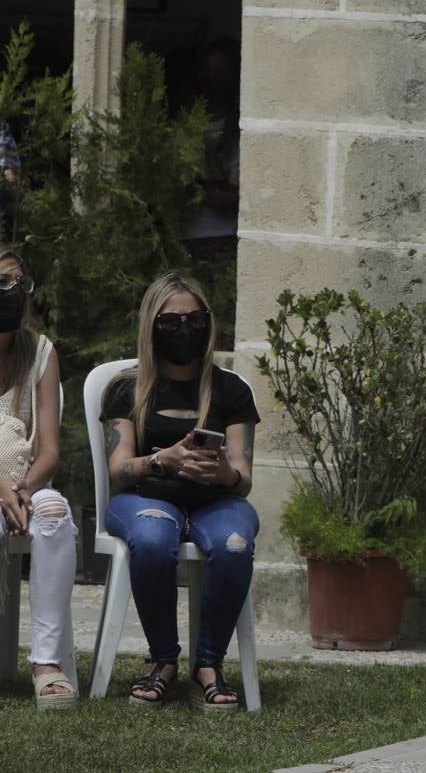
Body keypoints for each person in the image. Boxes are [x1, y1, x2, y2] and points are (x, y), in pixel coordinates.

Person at [100, 272, 260, 711]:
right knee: (152, 540)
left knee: (235, 542)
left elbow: (244, 479)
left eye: (195, 318)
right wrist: (162, 460)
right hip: (145, 498)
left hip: (216, 500)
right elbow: (118, 472)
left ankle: (208, 665)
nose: (184, 329)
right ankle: (164, 662)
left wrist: (224, 473)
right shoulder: (126, 389)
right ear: (152, 326)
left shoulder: (232, 389)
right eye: (171, 321)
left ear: (208, 323)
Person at [0, 249, 76, 708]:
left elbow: (49, 451)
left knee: (54, 511)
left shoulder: (42, 352)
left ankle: (47, 662)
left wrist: (22, 489)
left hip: (24, 483)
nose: (8, 292)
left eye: (15, 282)